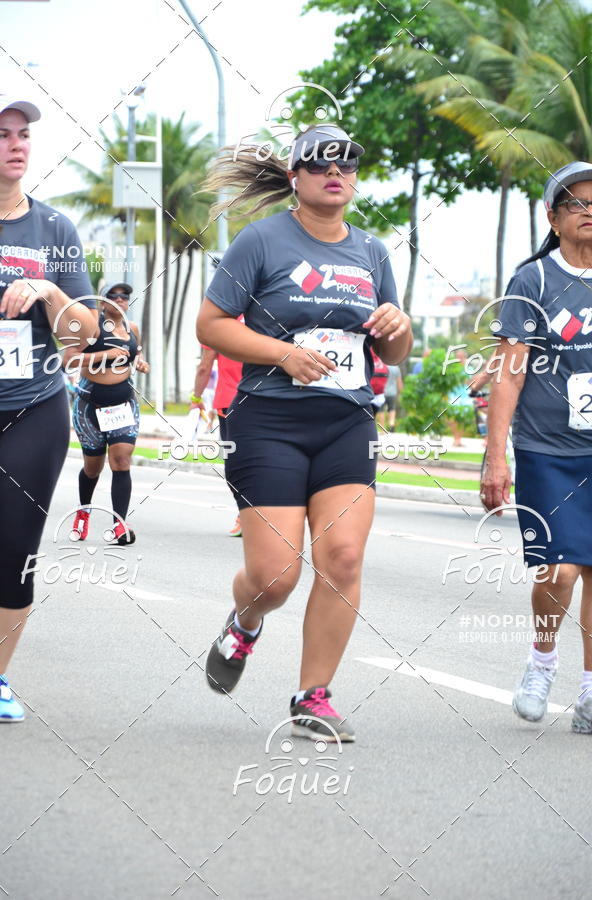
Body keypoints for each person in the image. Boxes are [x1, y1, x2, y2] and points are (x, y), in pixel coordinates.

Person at [197, 124, 412, 741]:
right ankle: (244, 624)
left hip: (346, 421)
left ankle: (312, 698)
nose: (334, 171)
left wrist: (397, 325)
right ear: (296, 176)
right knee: (275, 577)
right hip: (268, 422)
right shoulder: (261, 241)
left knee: (342, 557)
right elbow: (210, 325)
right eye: (319, 163)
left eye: (346, 162)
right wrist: (282, 354)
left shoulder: (372, 252)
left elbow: (394, 351)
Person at [481, 161, 592, 735]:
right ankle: (542, 662)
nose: (591, 211)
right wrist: (495, 454)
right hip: (548, 450)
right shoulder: (533, 282)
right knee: (559, 571)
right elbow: (508, 372)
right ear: (553, 218)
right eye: (577, 203)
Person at [0, 94, 98, 722]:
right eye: (3, 133)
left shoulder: (55, 229)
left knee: (14, 547)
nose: (16, 144)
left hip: (34, 405)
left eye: (24, 134)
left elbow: (86, 329)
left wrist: (50, 288)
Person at [65, 281, 149, 546]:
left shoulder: (132, 328)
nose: (120, 299)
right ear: (102, 302)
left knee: (122, 461)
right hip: (90, 405)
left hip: (124, 404)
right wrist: (105, 354)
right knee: (93, 468)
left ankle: (119, 524)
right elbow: (69, 359)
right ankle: (83, 512)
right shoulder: (90, 328)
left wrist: (141, 363)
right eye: (113, 296)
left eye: (124, 295)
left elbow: (135, 354)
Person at [191, 337, 244, 536]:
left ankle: (245, 514)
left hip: (230, 402)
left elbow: (205, 367)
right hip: (265, 401)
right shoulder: (268, 320)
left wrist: (196, 398)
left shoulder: (220, 325)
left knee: (235, 463)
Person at [377, 362, 403, 431]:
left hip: (381, 392)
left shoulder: (381, 366)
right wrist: (401, 393)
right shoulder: (396, 368)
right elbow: (399, 382)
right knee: (392, 409)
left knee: (381, 410)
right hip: (392, 393)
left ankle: (382, 429)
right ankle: (391, 424)